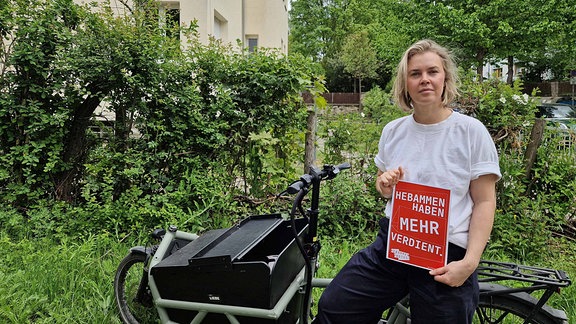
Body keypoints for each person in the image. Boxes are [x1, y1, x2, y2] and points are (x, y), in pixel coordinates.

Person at [315, 39, 501, 323]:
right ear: (405, 84)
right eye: (415, 74)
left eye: (432, 72)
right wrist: (384, 186)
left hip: (446, 255)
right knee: (335, 306)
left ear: (445, 78)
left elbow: (485, 201)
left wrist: (469, 263)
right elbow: (383, 186)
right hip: (393, 245)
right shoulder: (394, 131)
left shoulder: (470, 132)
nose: (424, 80)